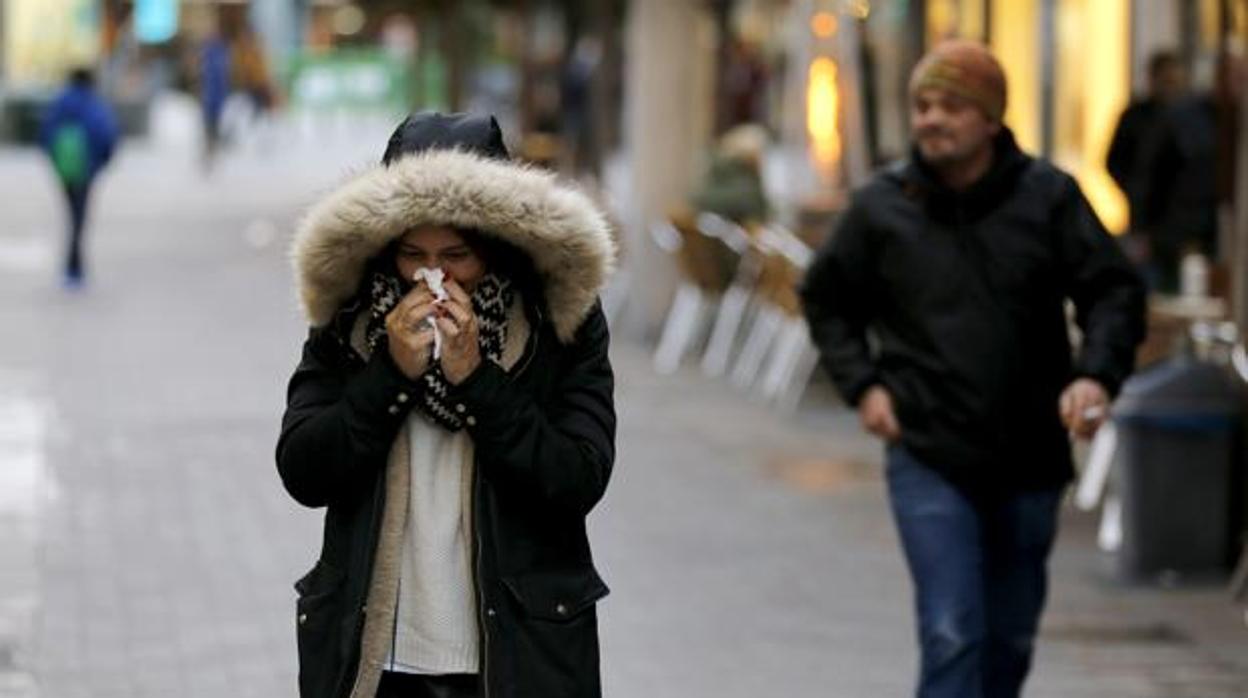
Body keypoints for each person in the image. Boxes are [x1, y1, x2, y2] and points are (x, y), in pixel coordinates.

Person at [800, 41, 1146, 698]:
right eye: (923, 105)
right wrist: (864, 386)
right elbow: (824, 298)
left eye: (951, 106)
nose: (931, 119)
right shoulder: (881, 205)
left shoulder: (1048, 198)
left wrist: (1095, 374)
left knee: (1009, 640)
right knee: (953, 631)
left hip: (1030, 457)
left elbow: (1114, 291)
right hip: (927, 453)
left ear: (991, 118)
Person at [277, 112, 617, 698]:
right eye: (413, 254)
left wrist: (478, 381)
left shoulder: (556, 322)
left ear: (497, 247)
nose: (433, 276)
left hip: (518, 657)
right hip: (375, 660)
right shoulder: (352, 320)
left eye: (456, 254)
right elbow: (304, 471)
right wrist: (390, 375)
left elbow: (578, 476)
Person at [1105, 51, 1192, 290]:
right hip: (1146, 224)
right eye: (1166, 81)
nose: (1170, 88)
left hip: (1180, 227)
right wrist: (1131, 190)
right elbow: (1114, 162)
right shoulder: (1136, 117)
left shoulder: (1188, 120)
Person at [38, 67, 119, 288]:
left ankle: (73, 266)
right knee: (79, 218)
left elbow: (45, 134)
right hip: (86, 169)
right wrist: (100, 164)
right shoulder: (94, 104)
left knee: (72, 215)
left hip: (65, 169)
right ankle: (75, 267)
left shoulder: (60, 102)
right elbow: (107, 135)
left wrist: (55, 161)